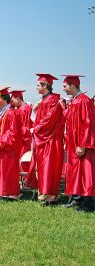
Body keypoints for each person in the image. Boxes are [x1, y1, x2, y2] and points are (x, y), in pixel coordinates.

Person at [27, 74, 65, 206]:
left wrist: (36, 129)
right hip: (44, 139)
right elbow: (39, 119)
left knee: (50, 168)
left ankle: (51, 197)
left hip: (51, 140)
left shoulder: (52, 100)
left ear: (45, 86)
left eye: (38, 85)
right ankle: (46, 195)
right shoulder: (44, 100)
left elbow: (48, 120)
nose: (36, 87)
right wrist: (34, 110)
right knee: (43, 168)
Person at [62, 75, 95, 212]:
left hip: (83, 146)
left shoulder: (84, 101)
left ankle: (88, 204)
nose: (63, 89)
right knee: (76, 173)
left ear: (72, 85)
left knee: (86, 174)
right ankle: (77, 200)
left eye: (65, 86)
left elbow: (88, 125)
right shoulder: (75, 100)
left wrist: (82, 144)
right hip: (73, 144)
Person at [0, 88, 22, 200]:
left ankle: (11, 194)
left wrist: (1, 141)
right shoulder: (0, 113)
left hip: (9, 148)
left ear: (3, 100)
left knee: (8, 170)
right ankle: (1, 192)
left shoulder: (11, 112)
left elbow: (13, 132)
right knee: (0, 170)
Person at [10, 90, 33, 172]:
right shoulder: (18, 110)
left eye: (13, 100)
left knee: (24, 160)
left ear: (18, 98)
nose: (12, 103)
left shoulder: (27, 109)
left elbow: (28, 126)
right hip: (19, 140)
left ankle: (26, 181)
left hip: (25, 140)